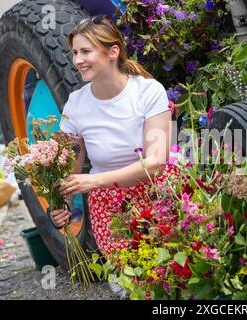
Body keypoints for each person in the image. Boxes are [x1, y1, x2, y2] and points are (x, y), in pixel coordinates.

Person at [49, 15, 173, 256]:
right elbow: (69, 174)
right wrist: (60, 206)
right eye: (75, 53)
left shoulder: (148, 91)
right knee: (131, 284)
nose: (78, 60)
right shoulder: (75, 105)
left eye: (86, 51)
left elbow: (157, 163)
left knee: (169, 271)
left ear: (113, 51)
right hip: (109, 205)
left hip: (156, 192)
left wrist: (93, 181)